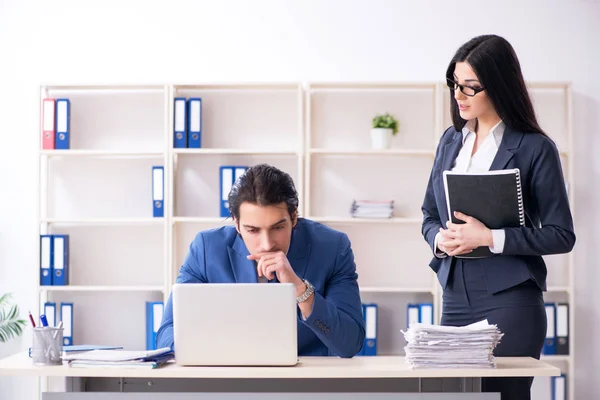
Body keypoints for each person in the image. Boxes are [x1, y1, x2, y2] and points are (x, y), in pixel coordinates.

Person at [421, 35, 575, 399]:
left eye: (470, 88)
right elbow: (428, 213)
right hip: (456, 296)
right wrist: (439, 239)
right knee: (452, 393)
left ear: (499, 86)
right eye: (455, 84)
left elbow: (561, 234)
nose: (459, 95)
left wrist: (490, 237)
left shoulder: (535, 147)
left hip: (511, 300)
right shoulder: (450, 141)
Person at [156, 163, 365, 358]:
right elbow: (166, 336)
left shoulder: (332, 247)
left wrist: (301, 291)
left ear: (294, 217)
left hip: (304, 384)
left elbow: (350, 344)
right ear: (236, 224)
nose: (266, 244)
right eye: (253, 230)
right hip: (228, 379)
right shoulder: (206, 248)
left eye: (277, 227)